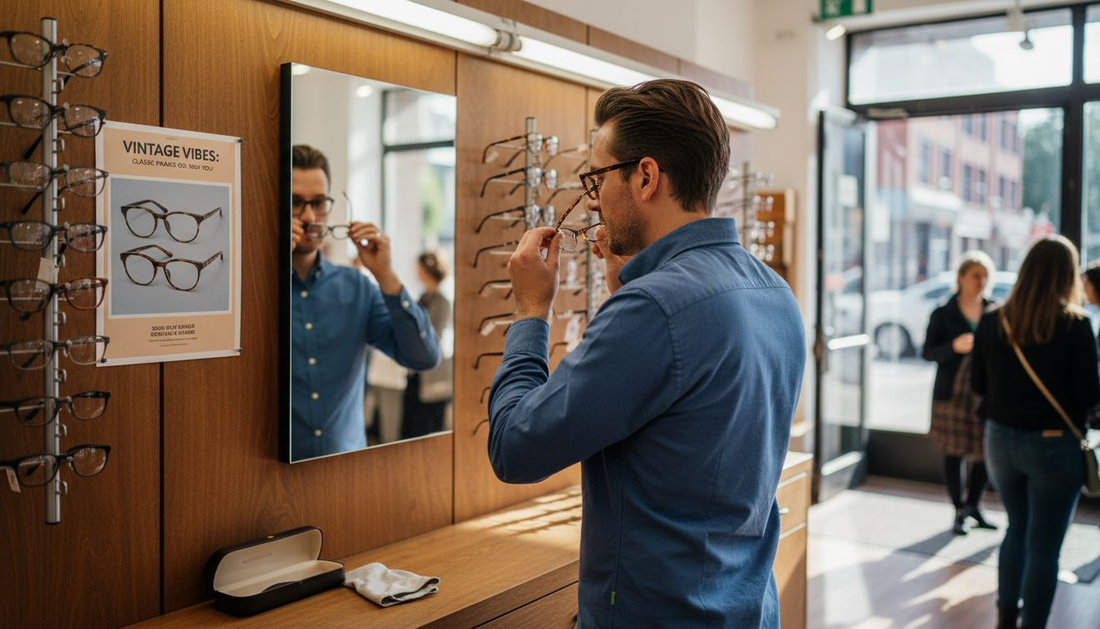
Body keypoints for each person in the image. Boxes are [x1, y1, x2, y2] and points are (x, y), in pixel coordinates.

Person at [486, 80, 806, 628]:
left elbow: (516, 448)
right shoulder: (772, 292)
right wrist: (624, 292)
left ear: (646, 176)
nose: (593, 198)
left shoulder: (655, 308)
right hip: (744, 608)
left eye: (597, 176)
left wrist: (531, 311)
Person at [972, 235, 1100, 629]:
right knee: (1044, 548)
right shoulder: (1075, 325)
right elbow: (1089, 397)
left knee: (1016, 528)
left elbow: (978, 384)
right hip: (1053, 449)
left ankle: (1006, 618)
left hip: (1000, 442)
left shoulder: (993, 319)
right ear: (1067, 276)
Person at [290, 144, 439, 460]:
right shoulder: (248, 290)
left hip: (346, 468)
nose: (308, 216)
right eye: (294, 203)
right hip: (263, 475)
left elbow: (425, 357)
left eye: (318, 203)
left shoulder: (357, 287)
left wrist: (386, 276)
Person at [922, 251, 997, 535]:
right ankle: (958, 510)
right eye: (976, 275)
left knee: (983, 451)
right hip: (951, 394)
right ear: (961, 278)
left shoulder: (994, 311)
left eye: (985, 276)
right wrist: (953, 347)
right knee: (953, 452)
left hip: (985, 393)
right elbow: (927, 352)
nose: (982, 281)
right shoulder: (943, 313)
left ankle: (974, 505)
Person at [401, 251, 453, 438]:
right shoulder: (423, 297)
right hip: (416, 370)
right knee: (411, 426)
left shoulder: (443, 300)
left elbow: (436, 335)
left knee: (428, 427)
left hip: (433, 373)